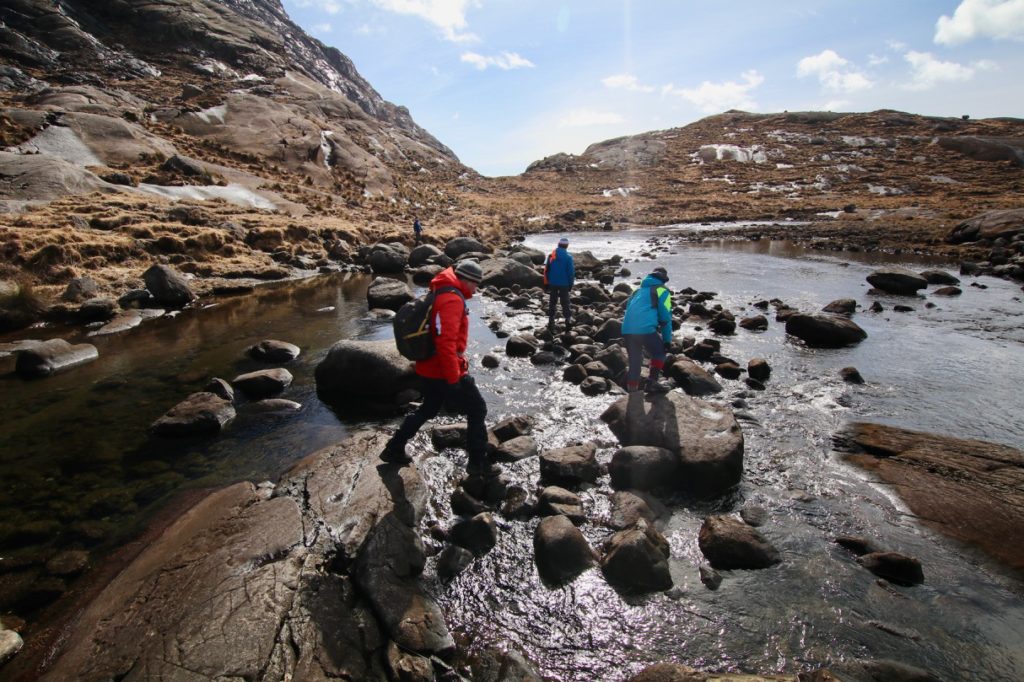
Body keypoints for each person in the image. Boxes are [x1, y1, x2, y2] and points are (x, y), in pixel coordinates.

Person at [380, 259, 500, 476]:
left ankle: (394, 447)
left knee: (428, 409)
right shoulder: (452, 299)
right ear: (465, 279)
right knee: (477, 409)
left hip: (428, 367)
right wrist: (454, 380)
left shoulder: (440, 291)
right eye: (475, 283)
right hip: (443, 370)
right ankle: (478, 464)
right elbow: (445, 343)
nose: (476, 288)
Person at [621, 267, 674, 393]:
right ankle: (652, 383)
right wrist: (667, 340)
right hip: (644, 329)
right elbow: (665, 317)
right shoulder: (662, 290)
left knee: (635, 360)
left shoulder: (636, 292)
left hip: (627, 329)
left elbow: (629, 310)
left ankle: (632, 390)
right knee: (659, 353)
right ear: (663, 279)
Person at [543, 236, 575, 333]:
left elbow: (546, 270)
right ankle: (568, 320)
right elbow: (571, 273)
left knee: (552, 302)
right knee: (565, 302)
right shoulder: (568, 257)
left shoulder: (551, 256)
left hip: (553, 283)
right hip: (564, 284)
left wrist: (546, 282)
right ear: (567, 246)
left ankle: (551, 319)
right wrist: (571, 284)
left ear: (558, 245)